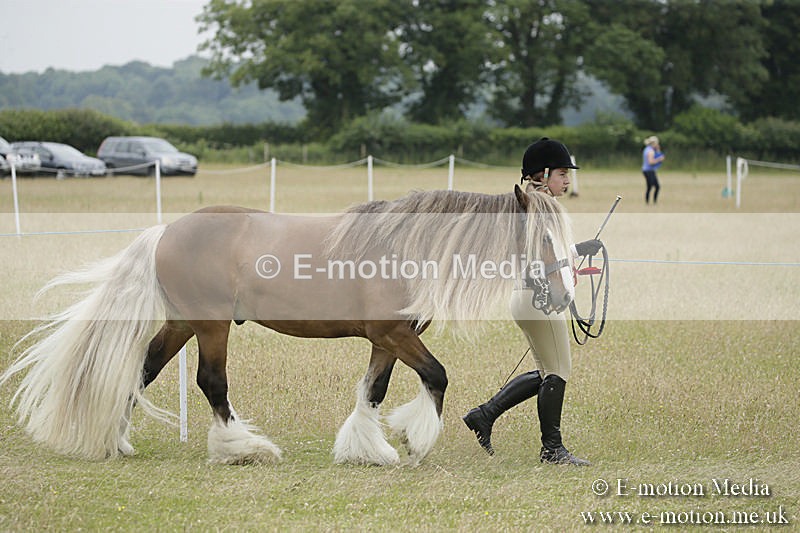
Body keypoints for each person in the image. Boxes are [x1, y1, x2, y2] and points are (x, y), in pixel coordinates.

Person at [462, 137, 601, 466]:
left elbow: (545, 249)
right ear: (543, 174)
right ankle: (552, 449)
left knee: (544, 371)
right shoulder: (539, 205)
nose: (568, 181)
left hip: (524, 298)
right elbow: (546, 253)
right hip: (539, 299)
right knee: (558, 371)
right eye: (563, 174)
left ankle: (485, 414)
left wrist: (579, 250)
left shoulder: (528, 206)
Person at [642, 135, 665, 204]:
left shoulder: (647, 149)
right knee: (655, 186)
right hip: (649, 171)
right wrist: (659, 159)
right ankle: (653, 202)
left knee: (650, 186)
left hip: (646, 170)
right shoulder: (651, 151)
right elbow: (651, 162)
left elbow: (657, 153)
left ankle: (648, 202)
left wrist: (658, 150)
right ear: (653, 143)